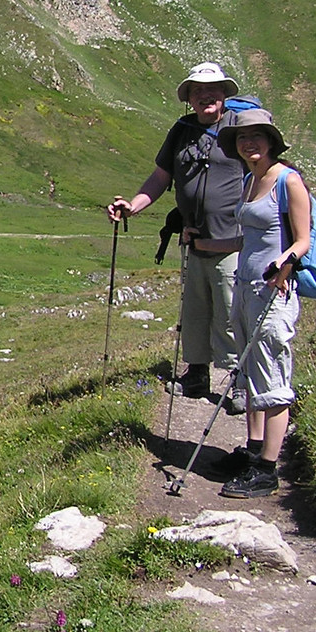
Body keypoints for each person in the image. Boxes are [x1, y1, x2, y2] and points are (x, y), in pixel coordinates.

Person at [107, 61, 247, 415]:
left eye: (212, 90)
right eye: (197, 91)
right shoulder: (181, 130)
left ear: (224, 93)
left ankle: (240, 381)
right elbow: (160, 177)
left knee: (231, 312)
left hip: (233, 241)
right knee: (194, 312)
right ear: (189, 98)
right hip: (193, 241)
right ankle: (197, 374)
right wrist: (133, 206)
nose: (205, 96)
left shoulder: (241, 129)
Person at [215, 109, 310, 498]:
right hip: (245, 289)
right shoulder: (250, 180)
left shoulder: (288, 181)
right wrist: (201, 242)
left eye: (256, 136)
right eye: (242, 137)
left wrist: (284, 264)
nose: (248, 143)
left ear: (271, 141)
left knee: (271, 376)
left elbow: (303, 240)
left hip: (273, 292)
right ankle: (254, 451)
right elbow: (246, 240)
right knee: (249, 370)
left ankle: (268, 470)